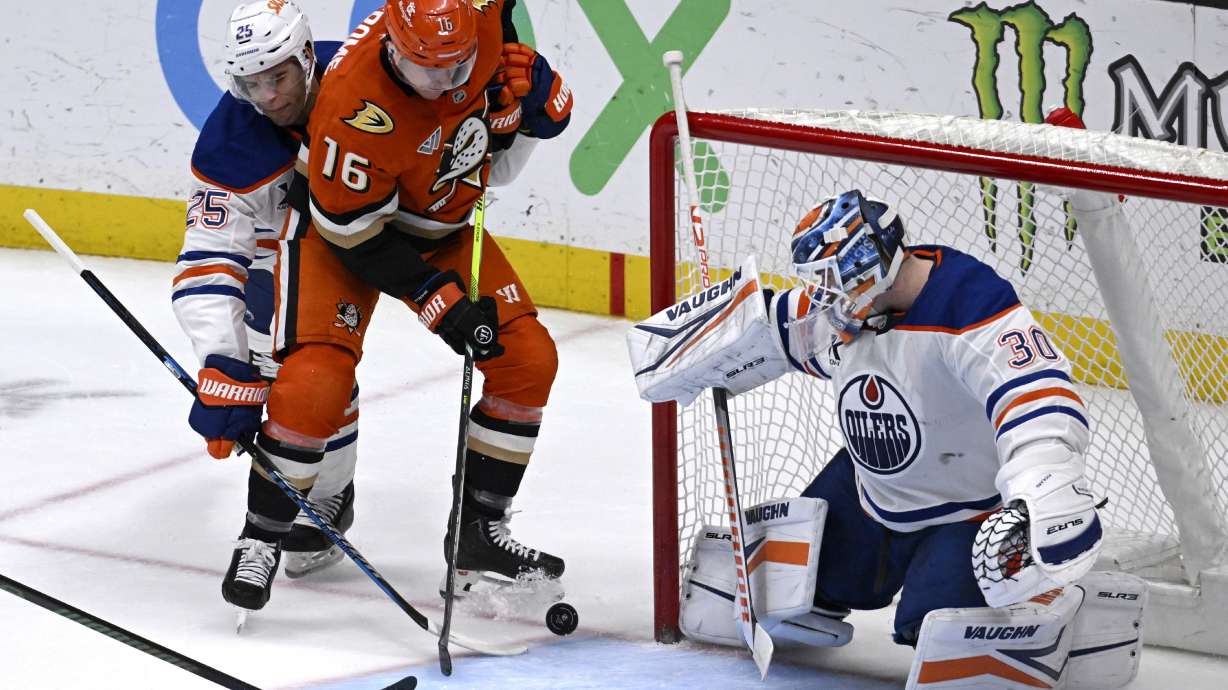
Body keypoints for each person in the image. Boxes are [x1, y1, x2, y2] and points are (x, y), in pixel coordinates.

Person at [631, 164, 1145, 685]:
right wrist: (705, 337)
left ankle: (1060, 601)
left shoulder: (969, 302)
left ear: (870, 268)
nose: (821, 298)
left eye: (832, 283)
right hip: (870, 494)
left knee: (936, 631)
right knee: (795, 587)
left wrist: (1037, 494)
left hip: (965, 511)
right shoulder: (845, 310)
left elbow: (1041, 399)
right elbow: (777, 326)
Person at [230, 0, 572, 609]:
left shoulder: (476, 22)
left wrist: (525, 96)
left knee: (529, 360)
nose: (449, 84)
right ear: (393, 45)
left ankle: (477, 534)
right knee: (315, 384)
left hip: (440, 219)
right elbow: (354, 236)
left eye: (459, 65)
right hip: (349, 236)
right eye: (428, 72)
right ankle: (261, 538)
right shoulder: (349, 109)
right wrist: (441, 305)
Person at [172, 1, 361, 614]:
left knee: (316, 373)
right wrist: (223, 362)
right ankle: (327, 496)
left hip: (376, 234)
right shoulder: (233, 145)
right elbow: (209, 257)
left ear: (308, 56)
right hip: (277, 257)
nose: (268, 96)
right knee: (300, 379)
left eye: (277, 77)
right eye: (251, 83)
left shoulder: (361, 77)